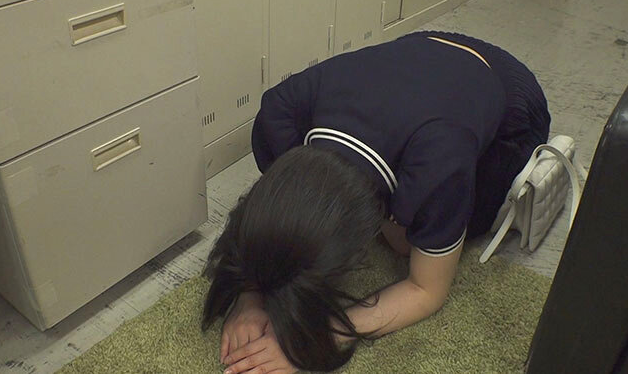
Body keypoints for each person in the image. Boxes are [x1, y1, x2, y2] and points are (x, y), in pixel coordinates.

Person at [201, 31, 550, 373]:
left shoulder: (440, 162)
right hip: (422, 46)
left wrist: (311, 339)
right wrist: (250, 295)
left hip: (509, 92)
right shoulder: (283, 110)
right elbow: (280, 208)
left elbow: (426, 290)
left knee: (406, 243)